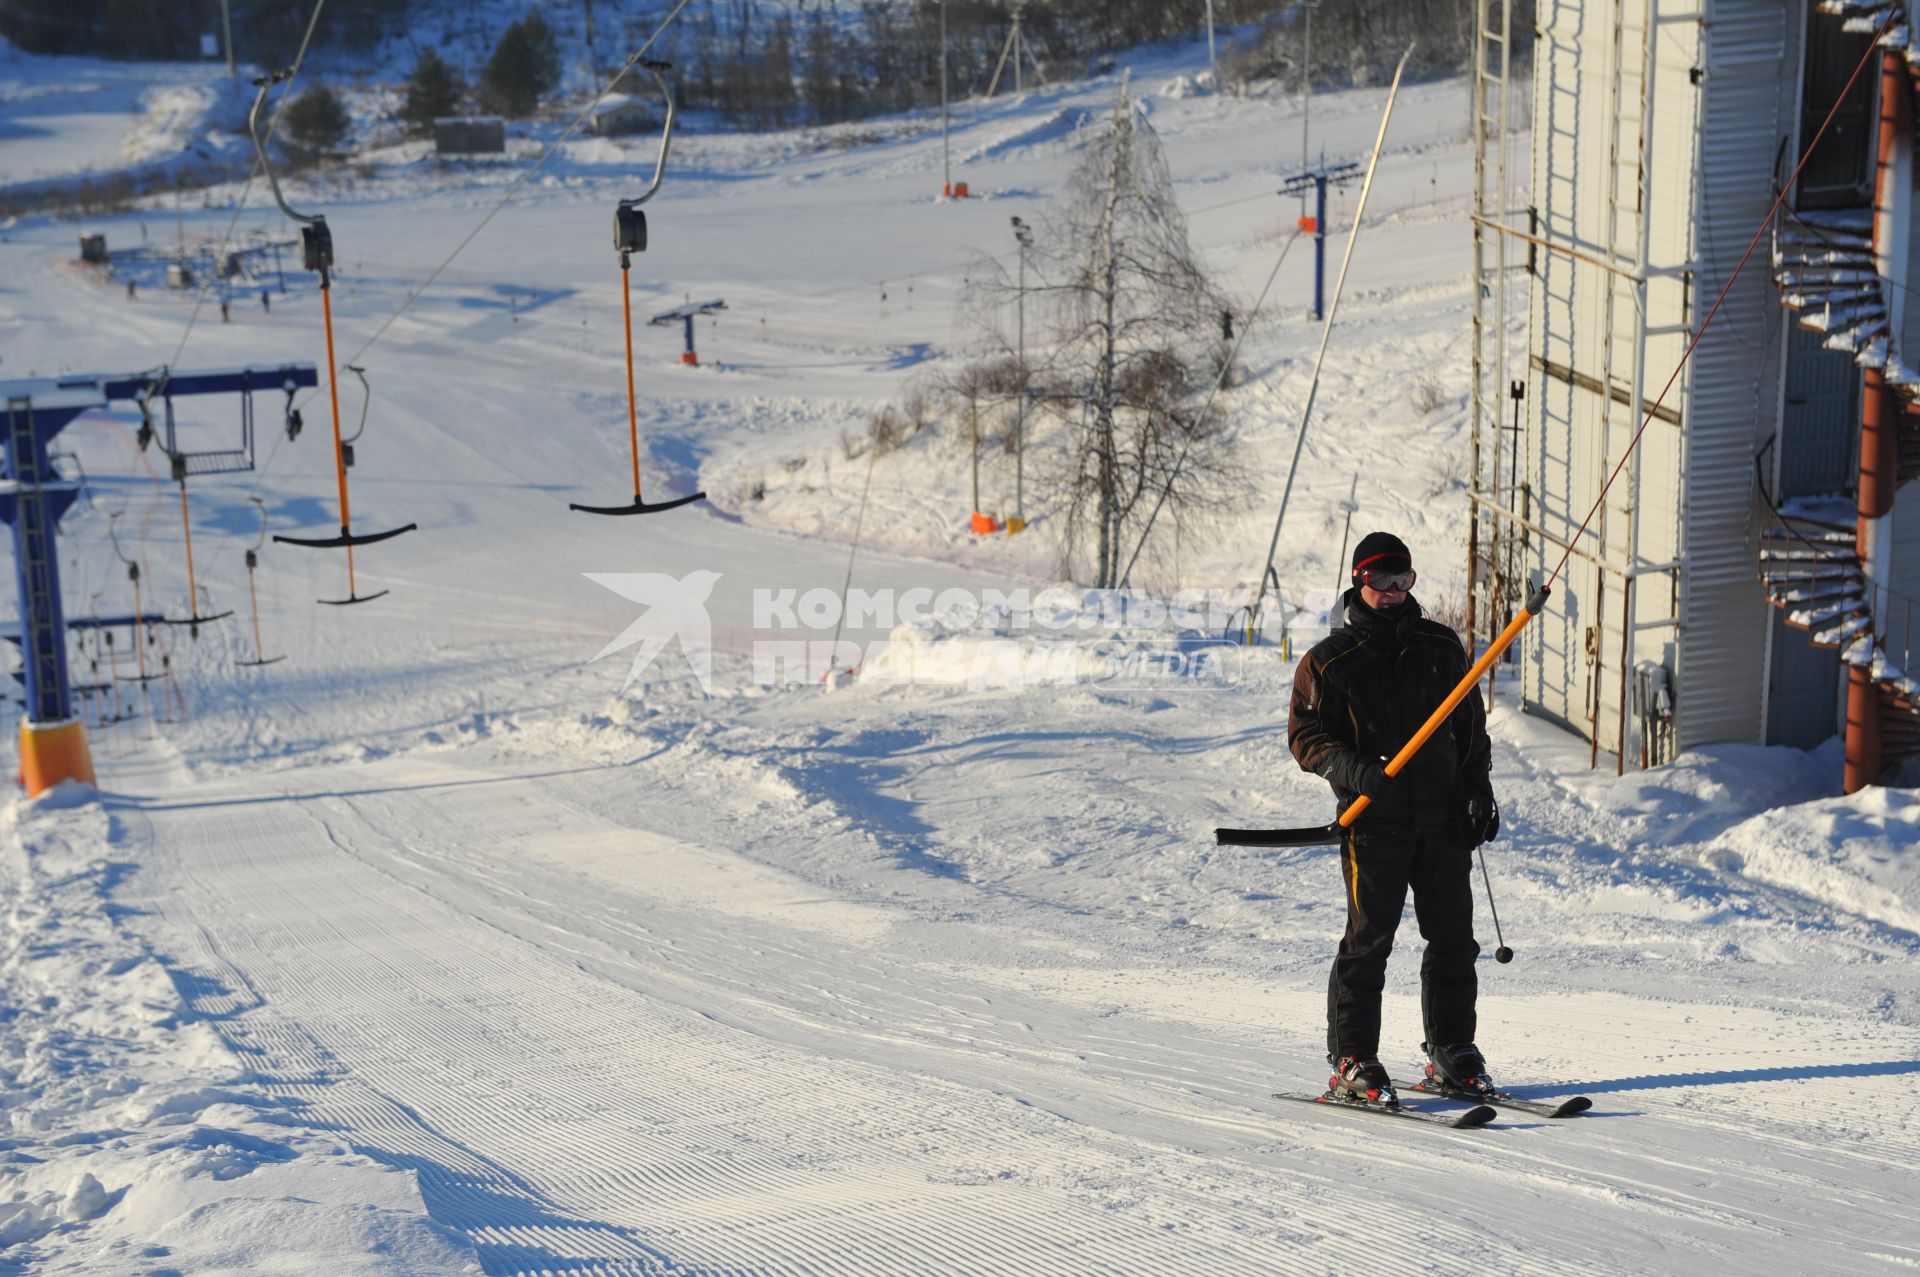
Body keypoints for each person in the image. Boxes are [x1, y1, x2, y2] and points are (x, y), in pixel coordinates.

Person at [1287, 531, 1501, 1105]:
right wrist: (1358, 772)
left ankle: (1453, 1050)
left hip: (1442, 821)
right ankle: (1353, 1058)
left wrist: (1477, 792)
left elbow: (1471, 732)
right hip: (1373, 825)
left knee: (1455, 941)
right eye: (1381, 581)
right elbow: (1306, 739)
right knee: (1369, 942)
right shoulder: (1329, 662)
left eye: (1402, 580)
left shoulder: (1440, 646)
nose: (1392, 592)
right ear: (1360, 581)